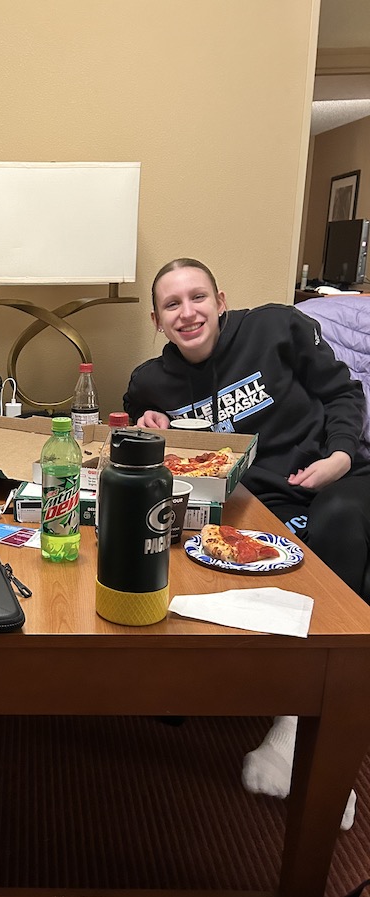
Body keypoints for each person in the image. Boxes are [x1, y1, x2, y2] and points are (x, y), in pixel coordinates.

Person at [124, 257, 370, 831]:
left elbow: (344, 395)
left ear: (221, 300)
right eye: (171, 305)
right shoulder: (148, 381)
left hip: (336, 477)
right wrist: (150, 431)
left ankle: (299, 728)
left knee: (338, 524)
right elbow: (150, 445)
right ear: (157, 321)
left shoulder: (278, 327)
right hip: (256, 503)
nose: (188, 313)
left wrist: (337, 456)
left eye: (198, 297)